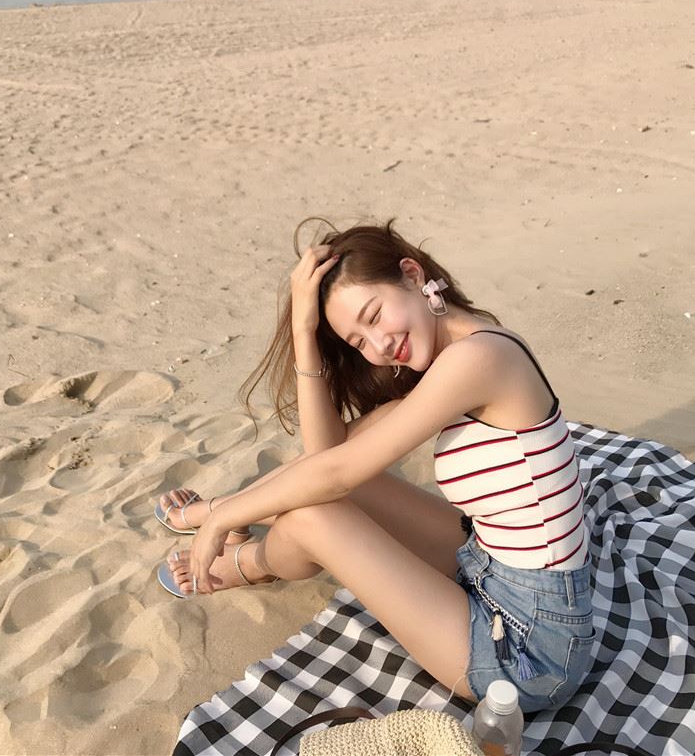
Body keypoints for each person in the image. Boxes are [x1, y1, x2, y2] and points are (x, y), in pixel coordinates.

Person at [154, 220, 595, 712]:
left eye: (374, 315)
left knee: (311, 517)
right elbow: (327, 456)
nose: (380, 346)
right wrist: (304, 330)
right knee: (335, 486)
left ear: (412, 274)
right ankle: (219, 514)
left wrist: (224, 520)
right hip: (487, 560)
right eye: (359, 342)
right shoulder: (458, 348)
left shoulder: (479, 359)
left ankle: (250, 564)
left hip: (530, 649)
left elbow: (333, 474)